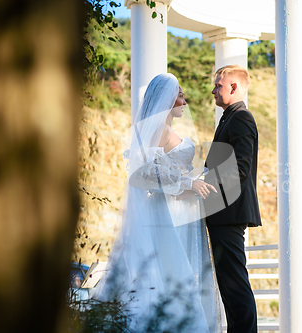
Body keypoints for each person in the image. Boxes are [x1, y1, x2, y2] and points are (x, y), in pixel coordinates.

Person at [93, 73, 221, 332]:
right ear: (167, 99)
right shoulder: (158, 131)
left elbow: (168, 170)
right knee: (172, 270)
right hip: (167, 213)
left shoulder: (169, 130)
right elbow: (145, 172)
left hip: (181, 210)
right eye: (180, 96)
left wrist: (194, 181)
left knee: (180, 272)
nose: (185, 101)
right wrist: (188, 184)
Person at [204, 65, 262, 333]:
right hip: (222, 213)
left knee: (235, 285)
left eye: (218, 85)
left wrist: (203, 183)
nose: (214, 90)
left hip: (229, 213)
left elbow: (240, 169)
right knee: (228, 284)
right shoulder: (228, 117)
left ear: (234, 87)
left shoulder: (241, 118)